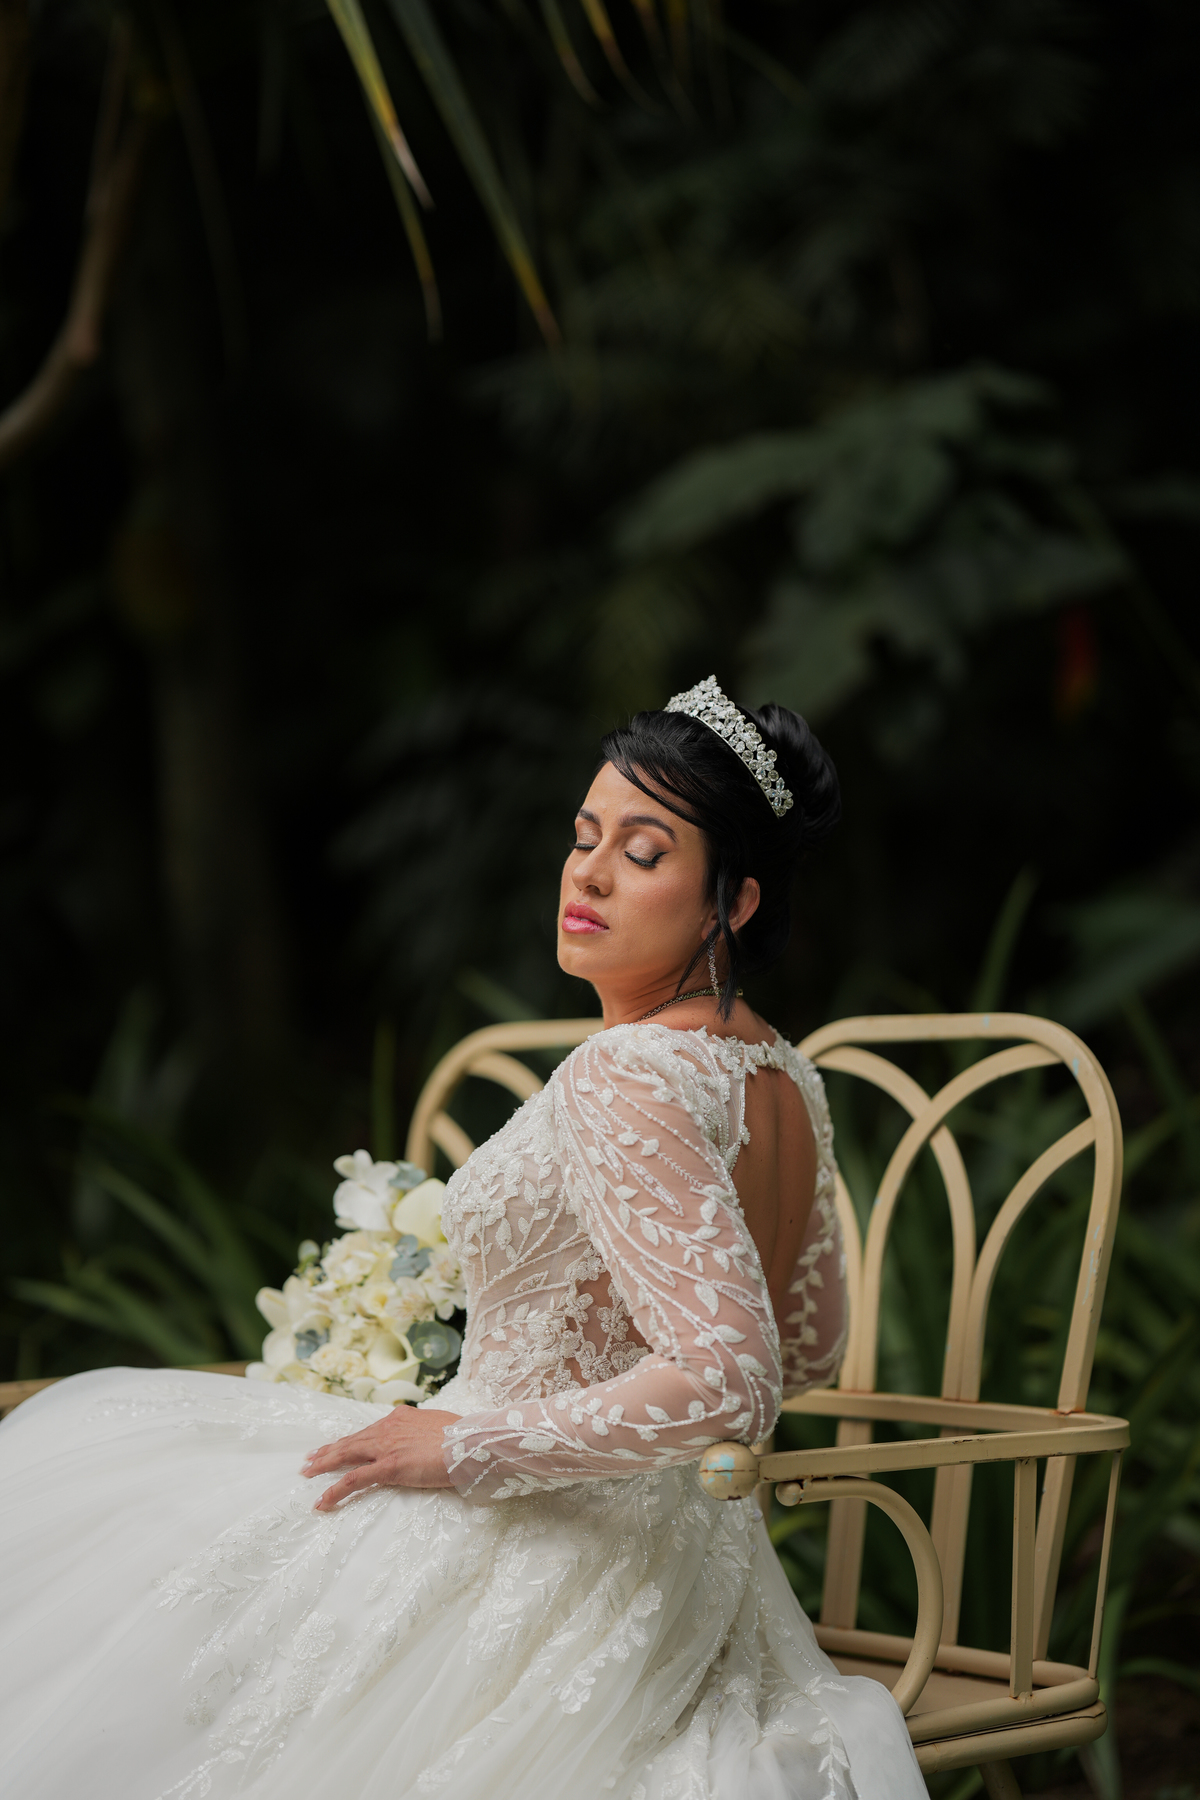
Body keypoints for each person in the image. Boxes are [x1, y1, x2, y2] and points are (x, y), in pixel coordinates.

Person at [0, 677, 926, 1800]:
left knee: (111, 1523)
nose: (588, 873)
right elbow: (809, 1344)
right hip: (694, 1555)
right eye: (584, 837)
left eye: (643, 852)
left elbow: (735, 1375)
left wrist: (469, 1443)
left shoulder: (627, 1073)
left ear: (731, 903)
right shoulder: (784, 1072)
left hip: (554, 1542)